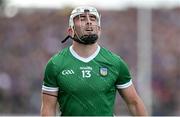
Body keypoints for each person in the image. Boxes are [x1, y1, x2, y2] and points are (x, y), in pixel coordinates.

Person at [40, 6, 148, 116]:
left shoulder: (115, 63)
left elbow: (134, 103)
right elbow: (48, 108)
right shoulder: (56, 64)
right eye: (82, 18)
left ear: (99, 29)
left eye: (92, 18)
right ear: (70, 31)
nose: (89, 22)